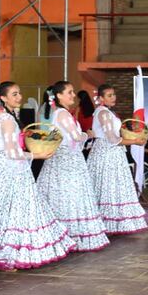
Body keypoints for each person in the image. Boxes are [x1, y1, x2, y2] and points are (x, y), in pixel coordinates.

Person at [0, 81, 75, 271]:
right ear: (2, 98)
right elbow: (12, 152)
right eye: (14, 94)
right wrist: (38, 155)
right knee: (16, 209)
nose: (19, 97)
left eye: (19, 93)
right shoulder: (7, 119)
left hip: (0, 166)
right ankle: (9, 254)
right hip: (12, 168)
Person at [36, 81, 110, 252]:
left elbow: (56, 136)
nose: (73, 95)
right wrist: (88, 134)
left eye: (73, 92)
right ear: (59, 95)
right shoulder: (62, 114)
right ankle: (72, 235)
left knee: (63, 195)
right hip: (68, 160)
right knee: (71, 195)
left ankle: (64, 234)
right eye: (69, 92)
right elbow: (76, 137)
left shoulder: (59, 113)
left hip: (64, 158)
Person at [88, 84, 148, 235]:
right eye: (109, 95)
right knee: (108, 186)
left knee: (114, 186)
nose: (113, 97)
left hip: (113, 153)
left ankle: (114, 222)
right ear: (101, 98)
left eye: (113, 94)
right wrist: (135, 141)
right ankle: (107, 222)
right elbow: (112, 139)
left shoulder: (107, 112)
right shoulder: (103, 113)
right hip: (106, 153)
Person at [76, 90, 96, 159]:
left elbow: (75, 120)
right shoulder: (92, 107)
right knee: (89, 152)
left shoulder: (79, 108)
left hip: (83, 132)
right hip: (90, 131)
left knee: (82, 152)